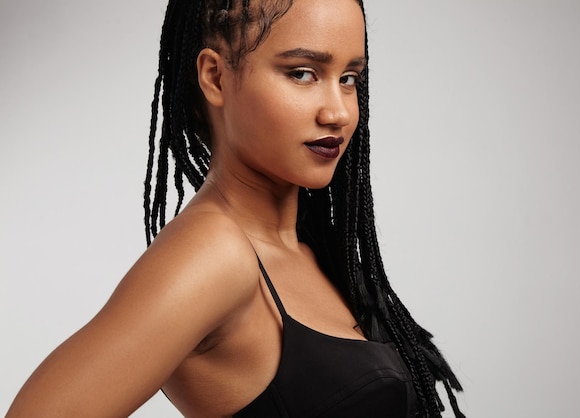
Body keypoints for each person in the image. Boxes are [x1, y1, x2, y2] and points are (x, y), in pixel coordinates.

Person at [7, 0, 464, 417]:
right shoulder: (212, 255)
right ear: (215, 76)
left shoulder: (315, 246)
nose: (338, 112)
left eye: (348, 79)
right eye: (302, 73)